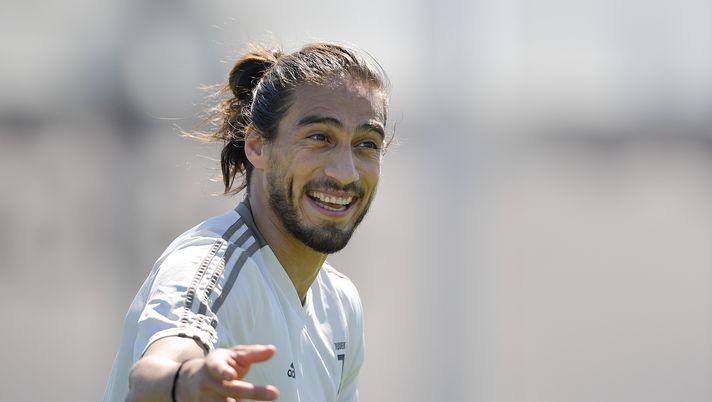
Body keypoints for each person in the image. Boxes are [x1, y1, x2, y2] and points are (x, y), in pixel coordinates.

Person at [103, 42, 390, 402]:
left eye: (366, 144)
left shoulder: (341, 304)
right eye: (319, 138)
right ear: (257, 145)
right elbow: (151, 376)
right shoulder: (212, 266)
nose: (345, 173)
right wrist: (187, 381)